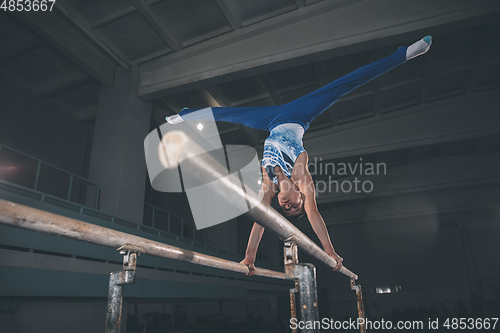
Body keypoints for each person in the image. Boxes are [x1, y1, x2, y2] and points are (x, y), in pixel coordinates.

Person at [166, 36, 432, 274]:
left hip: (269, 121)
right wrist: (329, 250)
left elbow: (260, 221)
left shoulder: (269, 187)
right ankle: (404, 54)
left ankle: (187, 114)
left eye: (287, 210)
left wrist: (248, 258)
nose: (288, 207)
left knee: (228, 114)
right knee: (342, 86)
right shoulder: (303, 177)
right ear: (301, 196)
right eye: (296, 206)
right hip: (300, 116)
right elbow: (314, 216)